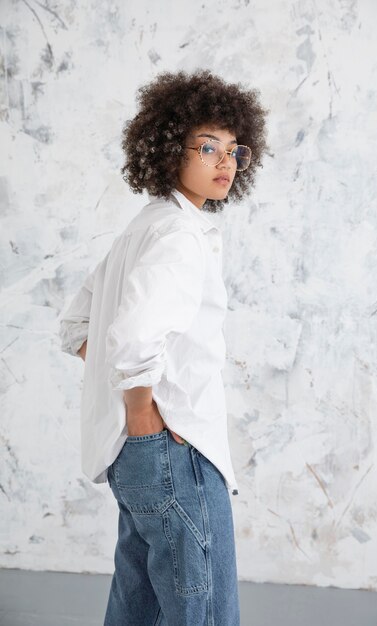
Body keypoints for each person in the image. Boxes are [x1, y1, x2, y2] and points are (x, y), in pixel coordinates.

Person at [58, 68, 269, 626]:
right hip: (175, 448)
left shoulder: (145, 227)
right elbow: (125, 338)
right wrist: (145, 413)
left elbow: (78, 325)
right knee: (199, 608)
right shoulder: (179, 235)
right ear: (166, 148)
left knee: (140, 602)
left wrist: (135, 416)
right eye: (207, 147)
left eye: (234, 150)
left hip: (134, 452)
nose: (225, 162)